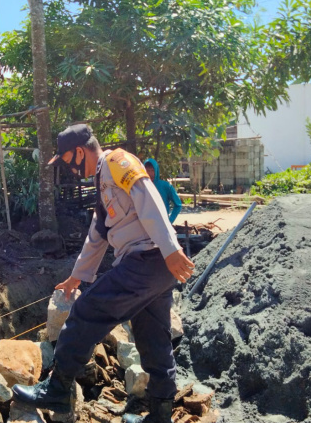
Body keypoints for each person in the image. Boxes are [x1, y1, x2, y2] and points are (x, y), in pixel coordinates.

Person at [12, 124, 195, 423]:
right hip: (155, 269)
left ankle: (57, 389)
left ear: (79, 151)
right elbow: (97, 235)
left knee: (85, 311)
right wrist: (77, 276)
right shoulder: (102, 181)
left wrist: (170, 247)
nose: (69, 169)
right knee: (154, 338)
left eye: (67, 160)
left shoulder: (116, 161)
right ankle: (161, 415)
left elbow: (147, 195)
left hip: (147, 261)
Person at [143, 158, 182, 224]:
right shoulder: (140, 187)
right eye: (147, 170)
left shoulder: (165, 186)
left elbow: (178, 204)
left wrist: (170, 221)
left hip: (161, 224)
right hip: (144, 226)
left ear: (156, 171)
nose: (150, 173)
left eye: (152, 170)